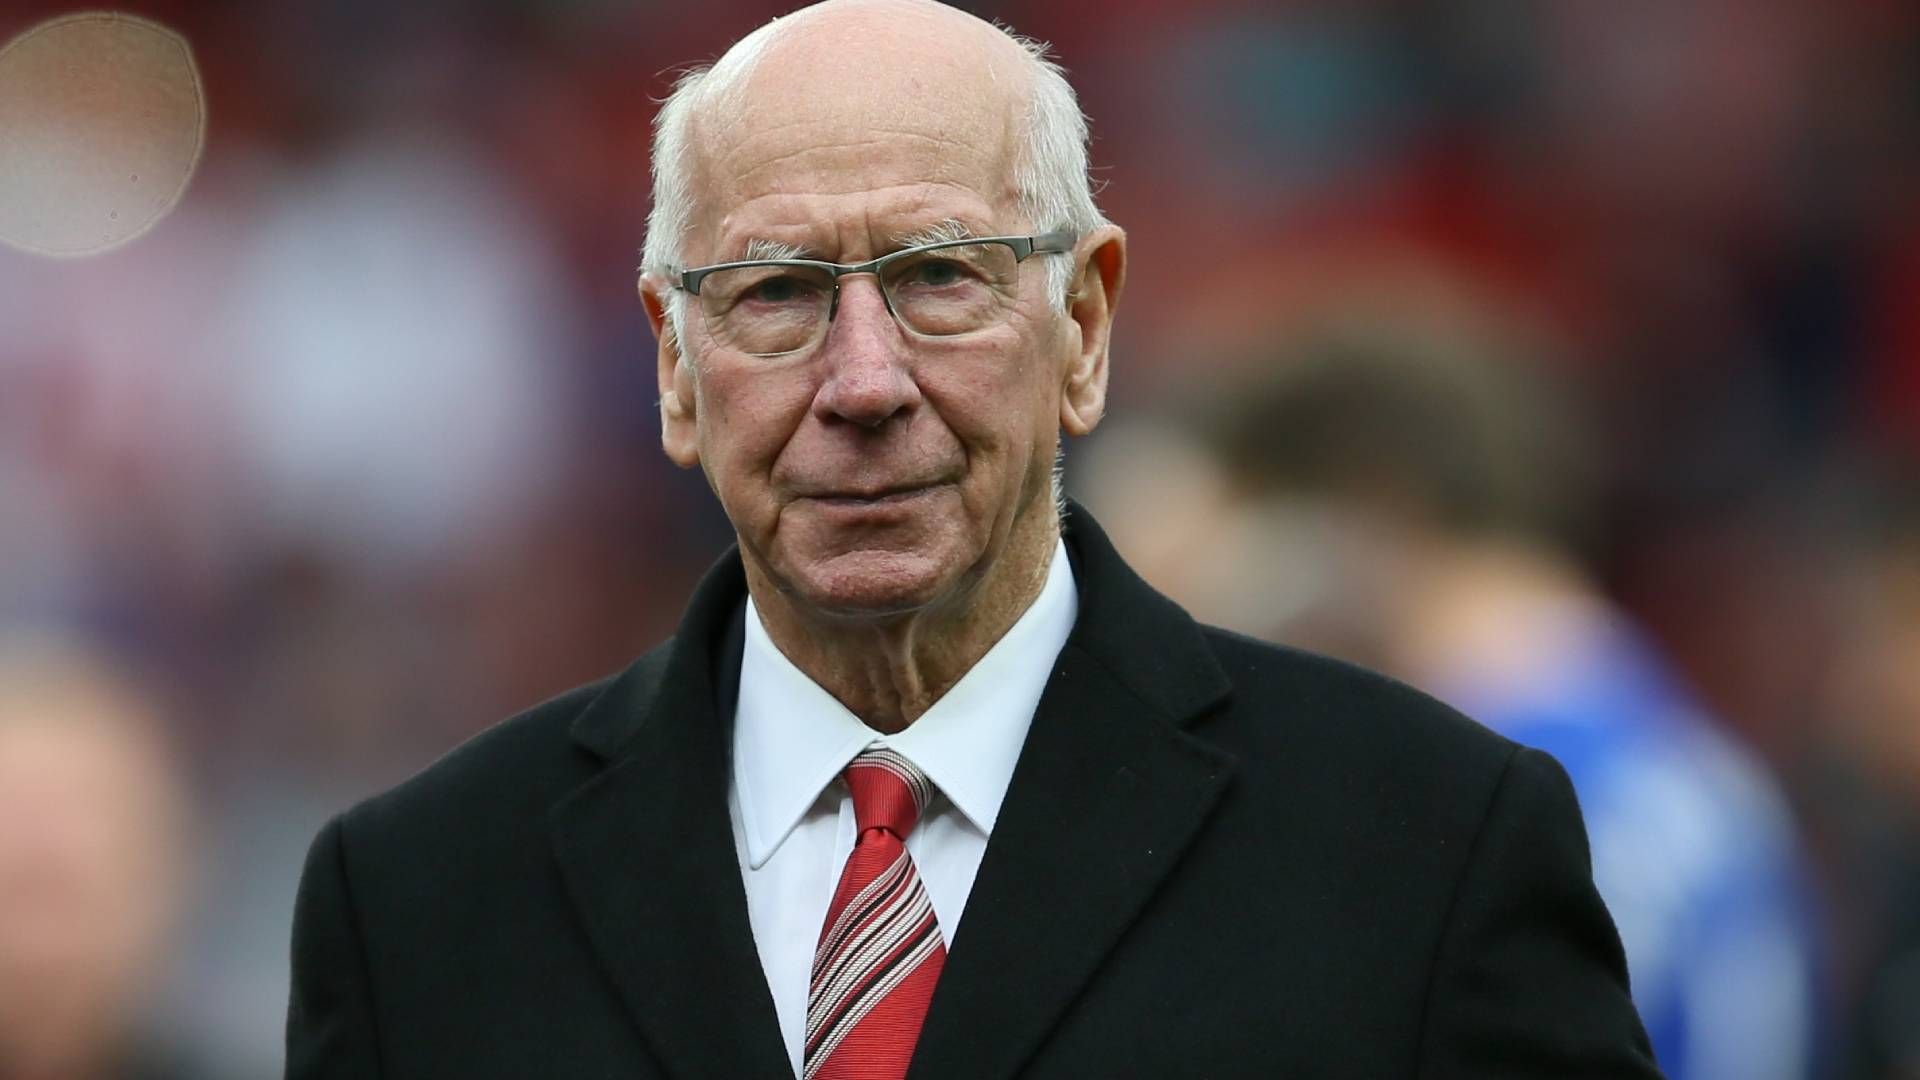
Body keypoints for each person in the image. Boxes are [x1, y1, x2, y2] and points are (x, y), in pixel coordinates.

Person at [285, 2, 1662, 1076]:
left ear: (1086, 327)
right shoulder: (415, 905)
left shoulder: (1428, 848)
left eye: (941, 276)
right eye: (776, 292)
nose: (863, 381)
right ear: (672, 366)